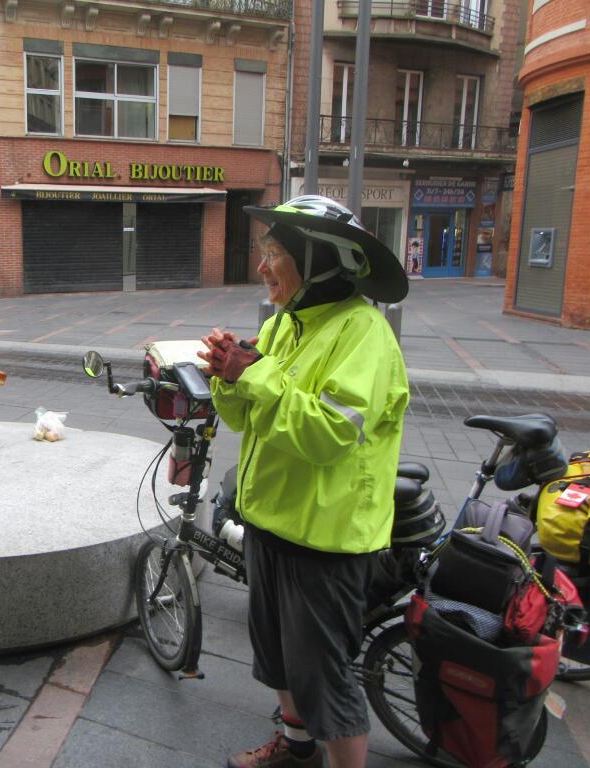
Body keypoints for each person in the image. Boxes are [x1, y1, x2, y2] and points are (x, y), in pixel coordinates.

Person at [199, 195, 410, 768]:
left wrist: (255, 374)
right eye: (263, 252)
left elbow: (328, 435)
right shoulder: (283, 325)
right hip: (270, 522)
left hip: (325, 539)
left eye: (274, 253)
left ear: (319, 260)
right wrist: (228, 376)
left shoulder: (363, 332)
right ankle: (296, 751)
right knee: (276, 656)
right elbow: (247, 418)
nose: (262, 266)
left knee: (324, 676)